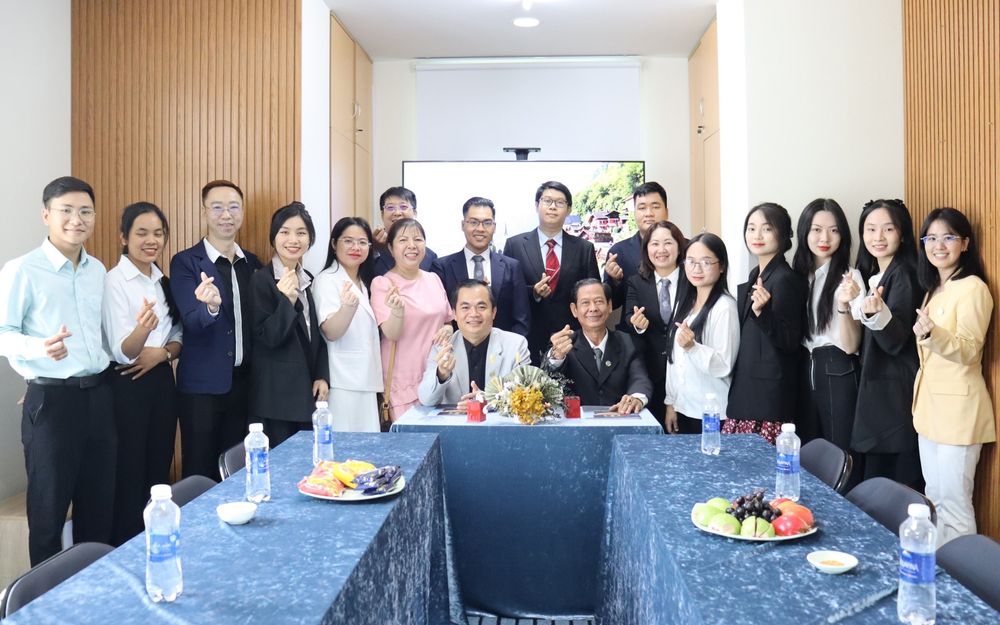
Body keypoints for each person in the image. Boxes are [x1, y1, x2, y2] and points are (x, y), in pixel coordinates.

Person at [0, 176, 115, 565]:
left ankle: (94, 591)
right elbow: (3, 333)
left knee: (98, 507)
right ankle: (46, 597)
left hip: (99, 396)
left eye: (85, 211)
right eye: (66, 210)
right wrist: (40, 348)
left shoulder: (97, 270)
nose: (76, 219)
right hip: (52, 401)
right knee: (48, 513)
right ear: (46, 215)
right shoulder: (22, 269)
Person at [911, 207, 994, 545]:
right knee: (934, 500)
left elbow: (970, 349)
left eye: (948, 237)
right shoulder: (935, 288)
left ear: (965, 243)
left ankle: (962, 576)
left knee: (955, 505)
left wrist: (932, 334)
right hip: (930, 411)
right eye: (931, 238)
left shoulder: (973, 288)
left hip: (959, 414)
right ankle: (939, 570)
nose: (939, 246)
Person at [169, 180, 262, 478]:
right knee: (200, 470)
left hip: (245, 386)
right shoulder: (186, 262)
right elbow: (191, 321)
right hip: (202, 389)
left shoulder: (253, 264)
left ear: (242, 211)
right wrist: (210, 307)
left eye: (234, 207)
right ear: (204, 212)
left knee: (238, 471)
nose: (226, 215)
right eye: (217, 207)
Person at [102, 202, 182, 545]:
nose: (152, 241)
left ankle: (155, 541)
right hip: (127, 382)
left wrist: (163, 353)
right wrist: (142, 331)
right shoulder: (113, 281)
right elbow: (123, 350)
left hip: (161, 380)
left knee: (158, 468)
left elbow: (178, 334)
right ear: (124, 237)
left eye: (158, 233)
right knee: (129, 472)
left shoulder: (161, 280)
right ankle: (126, 546)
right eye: (142, 233)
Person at [845, 199, 921, 487]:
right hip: (882, 395)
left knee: (889, 488)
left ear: (902, 233)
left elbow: (896, 340)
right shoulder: (879, 274)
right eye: (871, 229)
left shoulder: (904, 273)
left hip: (894, 399)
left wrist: (876, 314)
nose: (878, 237)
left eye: (888, 229)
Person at [248, 202, 329, 447]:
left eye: (301, 233)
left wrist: (322, 375)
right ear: (274, 237)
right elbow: (268, 337)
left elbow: (316, 336)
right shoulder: (261, 280)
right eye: (285, 232)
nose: (293, 239)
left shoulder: (308, 279)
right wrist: (288, 300)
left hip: (306, 394)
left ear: (310, 239)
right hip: (276, 399)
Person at [725, 203, 808, 444]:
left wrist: (763, 313)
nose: (757, 235)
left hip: (768, 399)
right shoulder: (756, 275)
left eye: (767, 228)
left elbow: (790, 340)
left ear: (782, 234)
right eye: (751, 228)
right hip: (748, 392)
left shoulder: (785, 278)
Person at [791, 199, 863, 451]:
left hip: (838, 369)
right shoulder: (797, 276)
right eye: (817, 229)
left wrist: (843, 305)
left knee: (840, 451)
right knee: (806, 451)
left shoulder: (851, 278)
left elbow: (851, 345)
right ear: (804, 232)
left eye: (834, 230)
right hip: (803, 367)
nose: (825, 238)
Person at [504, 181, 600, 364]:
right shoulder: (514, 245)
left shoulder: (584, 248)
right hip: (528, 339)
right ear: (536, 205)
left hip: (571, 338)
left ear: (569, 209)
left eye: (560, 202)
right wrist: (533, 292)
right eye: (547, 201)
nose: (553, 207)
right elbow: (507, 293)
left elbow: (593, 292)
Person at [371, 218, 453, 420]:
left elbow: (448, 322)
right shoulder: (383, 284)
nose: (412, 245)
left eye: (418, 239)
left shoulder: (433, 279)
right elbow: (391, 333)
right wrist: (397, 311)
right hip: (404, 382)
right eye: (403, 240)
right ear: (391, 248)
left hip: (437, 374)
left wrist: (447, 329)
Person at [663, 233, 739, 435]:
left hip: (710, 414)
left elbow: (724, 365)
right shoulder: (684, 303)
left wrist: (692, 347)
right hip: (683, 408)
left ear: (721, 266)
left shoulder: (725, 307)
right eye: (691, 261)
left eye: (706, 262)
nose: (696, 269)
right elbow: (673, 359)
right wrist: (671, 402)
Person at [313, 217, 383, 432]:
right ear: (334, 244)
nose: (356, 247)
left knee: (367, 445)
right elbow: (330, 331)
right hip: (343, 381)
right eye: (348, 241)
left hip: (365, 379)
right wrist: (347, 308)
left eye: (362, 242)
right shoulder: (326, 280)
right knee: (346, 446)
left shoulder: (364, 282)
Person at [544, 279, 652, 413]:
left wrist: (636, 398)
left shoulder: (627, 342)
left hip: (619, 418)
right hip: (577, 421)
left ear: (609, 306)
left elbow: (640, 378)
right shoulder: (563, 344)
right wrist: (556, 357)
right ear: (574, 310)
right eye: (585, 303)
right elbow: (547, 381)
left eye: (599, 301)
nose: (593, 308)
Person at [418, 280, 531, 406]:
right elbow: (426, 400)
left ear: (493, 312)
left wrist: (489, 401)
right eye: (465, 307)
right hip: (456, 419)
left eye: (481, 307)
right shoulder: (442, 348)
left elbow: (525, 395)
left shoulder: (516, 345)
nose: (474, 314)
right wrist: (441, 374)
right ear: (454, 314)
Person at [431, 197, 530, 335]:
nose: (480, 229)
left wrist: (511, 346)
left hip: (503, 346)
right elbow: (439, 317)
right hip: (456, 346)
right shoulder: (442, 267)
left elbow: (522, 318)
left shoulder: (512, 267)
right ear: (463, 225)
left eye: (487, 223)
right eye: (474, 222)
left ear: (494, 227)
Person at [623, 220, 686, 427]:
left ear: (679, 246)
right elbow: (628, 317)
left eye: (668, 243)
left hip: (687, 373)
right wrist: (637, 324)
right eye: (655, 244)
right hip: (652, 372)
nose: (661, 250)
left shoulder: (692, 280)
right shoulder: (636, 282)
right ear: (646, 249)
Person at [604, 181, 670, 317]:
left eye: (655, 207)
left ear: (666, 212)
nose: (649, 213)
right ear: (634, 213)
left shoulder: (686, 248)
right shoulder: (619, 252)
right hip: (633, 328)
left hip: (680, 328)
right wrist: (615, 280)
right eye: (642, 208)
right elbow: (612, 304)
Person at [371, 187, 438, 276]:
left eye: (403, 207)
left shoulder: (430, 257)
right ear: (382, 215)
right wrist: (373, 248)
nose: (397, 213)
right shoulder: (372, 249)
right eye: (390, 207)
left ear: (415, 213)